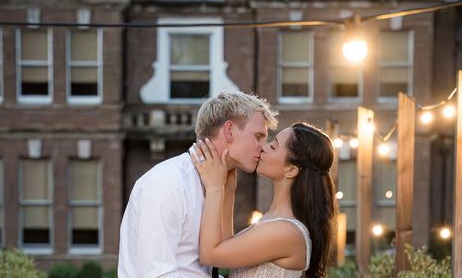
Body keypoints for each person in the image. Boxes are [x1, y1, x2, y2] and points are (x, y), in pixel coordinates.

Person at [118, 90, 279, 278]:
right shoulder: (167, 184)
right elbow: (157, 275)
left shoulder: (219, 185)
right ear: (229, 131)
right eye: (258, 136)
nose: (264, 146)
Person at [191, 122, 337, 278]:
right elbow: (226, 247)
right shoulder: (274, 220)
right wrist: (228, 189)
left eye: (273, 146)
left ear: (291, 170)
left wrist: (214, 188)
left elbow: (210, 255)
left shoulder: (285, 231)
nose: (263, 147)